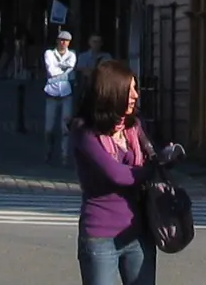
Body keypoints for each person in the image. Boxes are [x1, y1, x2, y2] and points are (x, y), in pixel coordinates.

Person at [72, 57, 181, 285]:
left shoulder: (134, 127)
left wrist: (164, 158)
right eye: (128, 90)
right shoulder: (85, 131)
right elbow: (117, 174)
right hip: (101, 234)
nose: (135, 95)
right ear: (111, 92)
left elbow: (148, 162)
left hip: (139, 232)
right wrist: (150, 169)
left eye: (135, 89)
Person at [44, 29, 78, 163]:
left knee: (65, 127)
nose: (64, 43)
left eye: (66, 41)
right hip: (51, 94)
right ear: (57, 41)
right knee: (49, 127)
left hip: (66, 94)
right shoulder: (49, 53)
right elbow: (51, 70)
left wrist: (59, 67)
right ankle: (48, 152)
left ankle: (64, 154)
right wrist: (63, 69)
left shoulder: (72, 55)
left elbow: (70, 68)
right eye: (62, 40)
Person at [74, 33, 112, 106]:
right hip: (86, 89)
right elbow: (83, 71)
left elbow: (109, 71)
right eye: (94, 41)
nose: (96, 44)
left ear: (101, 43)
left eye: (98, 42)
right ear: (89, 42)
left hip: (103, 89)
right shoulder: (83, 56)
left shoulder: (107, 56)